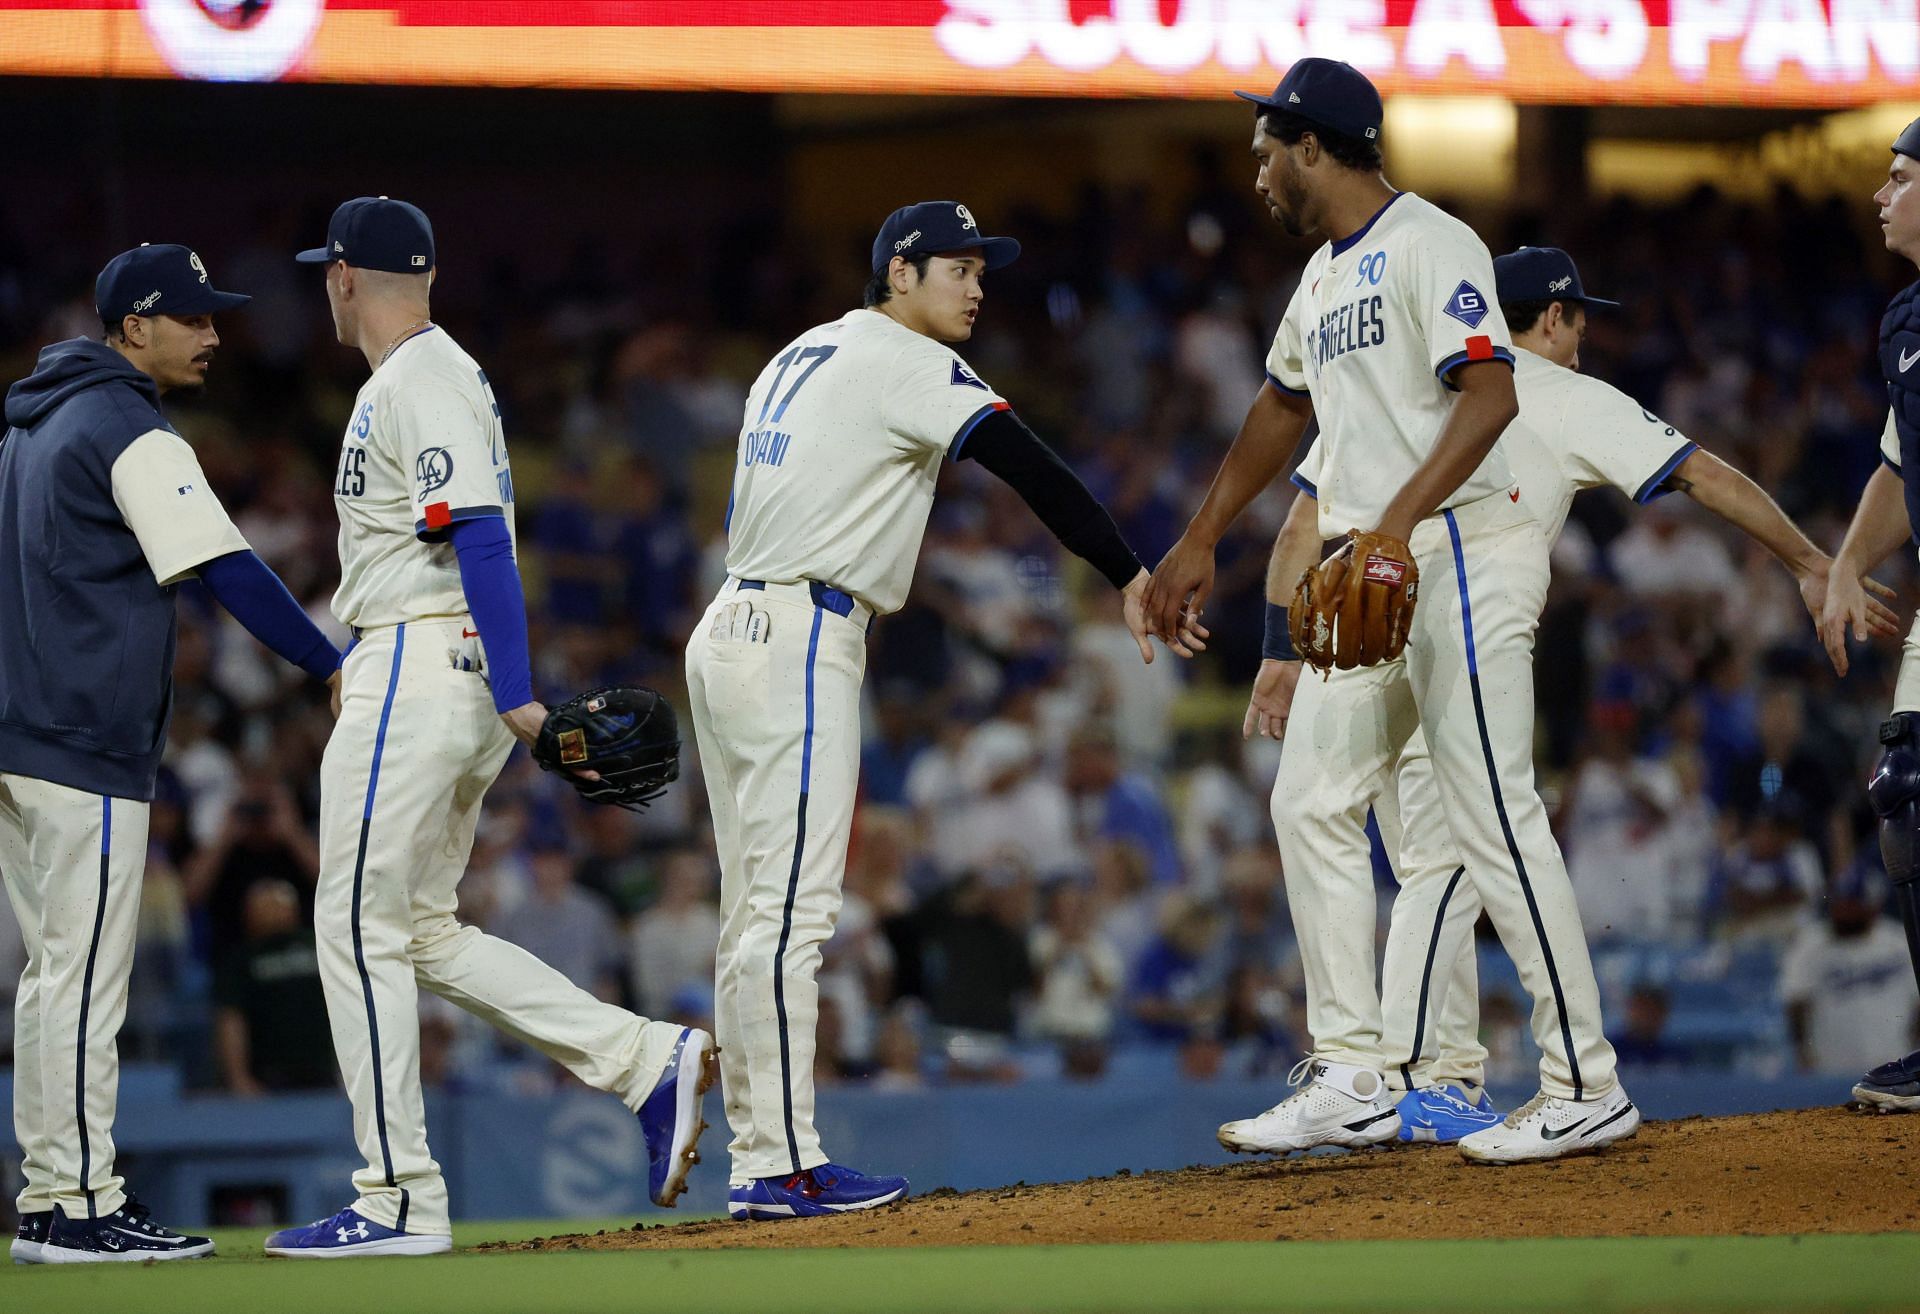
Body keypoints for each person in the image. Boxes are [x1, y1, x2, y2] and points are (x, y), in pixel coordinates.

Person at [1260, 245, 1892, 1147]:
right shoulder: (1559, 395)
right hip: (1463, 616)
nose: (1584, 340)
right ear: (1546, 320)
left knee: (1415, 856)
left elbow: (1297, 525)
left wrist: (1278, 652)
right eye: (1576, 322)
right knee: (1454, 856)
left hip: (1386, 633)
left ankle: (1427, 1073)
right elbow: (1706, 476)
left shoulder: (1397, 383)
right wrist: (1806, 560)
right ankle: (1426, 1073)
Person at [1148, 61, 1641, 1166]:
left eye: (1267, 146)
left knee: (1491, 820)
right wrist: (1200, 536)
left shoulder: (1431, 241)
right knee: (1310, 801)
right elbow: (1281, 409)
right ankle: (1357, 1071)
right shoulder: (1321, 280)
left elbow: (1492, 391)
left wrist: (1392, 524)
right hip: (1367, 574)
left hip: (1451, 551)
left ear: (1312, 147)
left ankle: (1586, 1082)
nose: (1258, 168)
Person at [685, 199, 1202, 1220]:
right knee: (789, 917)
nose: (976, 286)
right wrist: (1126, 570)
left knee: (754, 914)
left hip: (735, 628)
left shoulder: (800, 352)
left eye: (981, 270)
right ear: (901, 273)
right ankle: (781, 1163)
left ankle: (757, 1155)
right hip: (798, 634)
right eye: (958, 268)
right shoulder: (903, 359)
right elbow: (1028, 466)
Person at [264, 198, 712, 1259]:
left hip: (423, 667)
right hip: (427, 665)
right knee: (416, 930)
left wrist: (519, 694)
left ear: (341, 276)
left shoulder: (419, 377)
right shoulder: (435, 376)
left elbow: (478, 536)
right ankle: (644, 1061)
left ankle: (394, 1198)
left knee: (352, 929)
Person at [2, 244, 345, 1263]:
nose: (212, 334)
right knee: (82, 979)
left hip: (25, 735)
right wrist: (327, 662)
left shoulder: (28, 428)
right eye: (191, 319)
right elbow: (228, 570)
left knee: (55, 976)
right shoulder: (124, 425)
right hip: (82, 741)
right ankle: (73, 1205)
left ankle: (59, 1194)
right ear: (133, 328)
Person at [1820, 115, 1920, 1115]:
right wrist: (1849, 562)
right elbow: (1899, 462)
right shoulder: (1904, 322)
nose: (1882, 194)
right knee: (1906, 788)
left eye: (1900, 177)